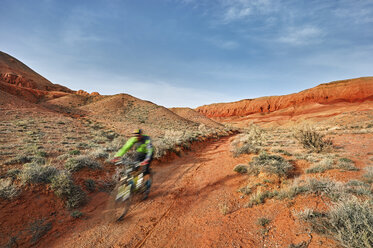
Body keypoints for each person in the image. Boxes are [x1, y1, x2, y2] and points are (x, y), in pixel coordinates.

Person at [112, 129, 153, 199]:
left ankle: (146, 188)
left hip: (148, 154)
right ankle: (132, 188)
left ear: (141, 134)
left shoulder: (146, 138)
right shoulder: (133, 139)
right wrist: (117, 156)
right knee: (133, 169)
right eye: (135, 135)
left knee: (145, 170)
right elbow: (125, 148)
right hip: (139, 154)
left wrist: (147, 159)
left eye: (138, 135)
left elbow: (149, 149)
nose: (137, 137)